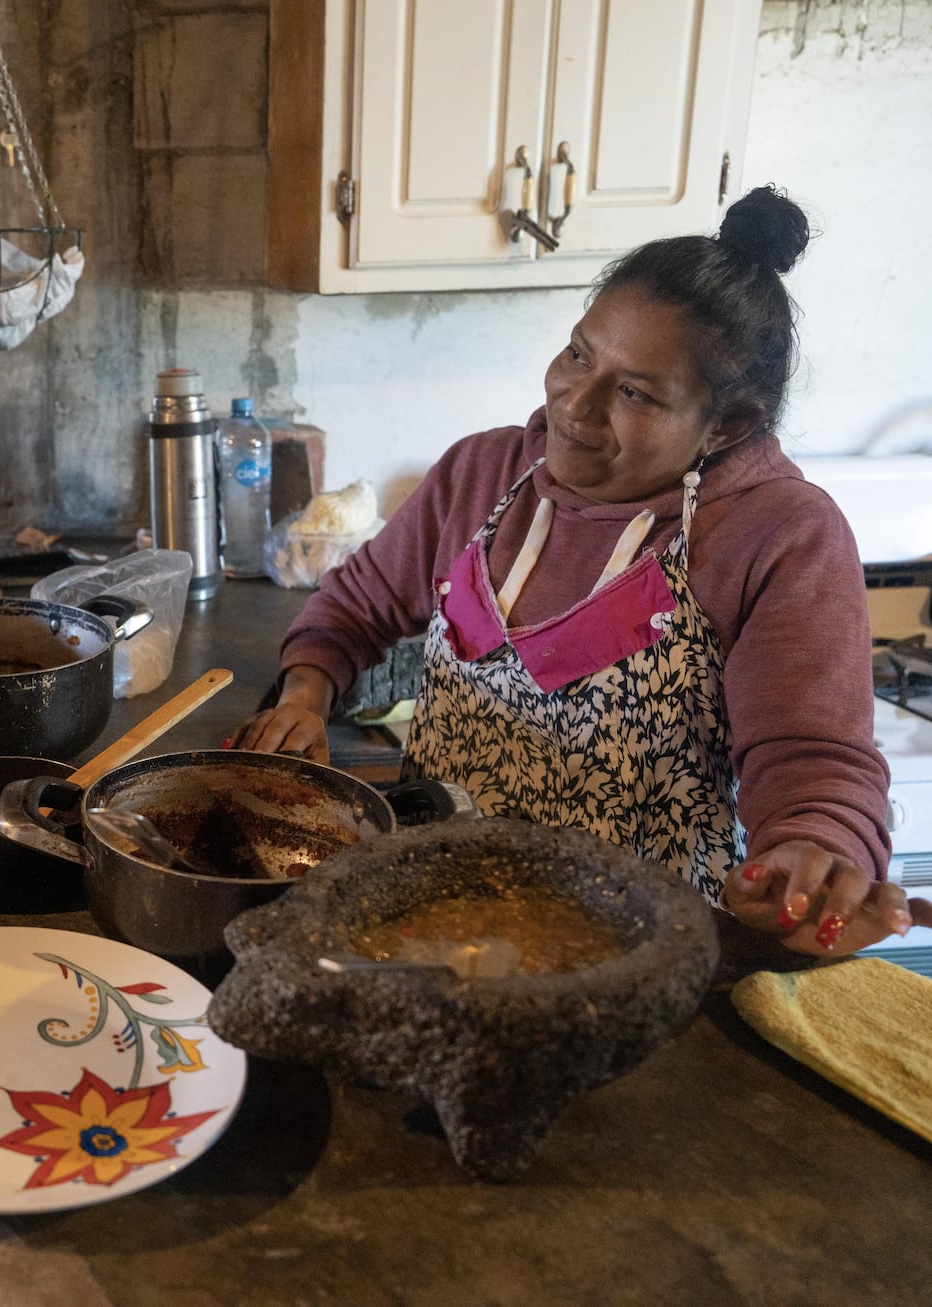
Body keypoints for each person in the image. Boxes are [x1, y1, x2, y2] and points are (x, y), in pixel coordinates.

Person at [232, 186, 932, 958]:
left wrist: (814, 850)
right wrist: (305, 694)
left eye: (634, 392)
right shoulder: (482, 472)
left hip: (637, 964)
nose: (574, 404)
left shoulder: (779, 534)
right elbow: (354, 607)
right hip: (432, 925)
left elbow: (811, 761)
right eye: (577, 354)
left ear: (728, 423)